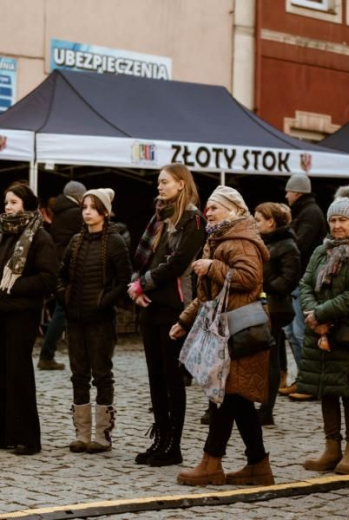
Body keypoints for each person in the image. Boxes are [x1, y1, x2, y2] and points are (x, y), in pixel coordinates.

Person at [173, 185, 273, 487]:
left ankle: (211, 462)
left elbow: (249, 279)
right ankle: (258, 464)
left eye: (215, 207)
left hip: (237, 330)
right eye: (209, 207)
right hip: (226, 331)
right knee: (236, 400)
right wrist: (184, 320)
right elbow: (208, 296)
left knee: (225, 398)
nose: (209, 211)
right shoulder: (220, 238)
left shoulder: (239, 240)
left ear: (234, 209)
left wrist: (213, 266)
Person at [0, 182, 57, 455]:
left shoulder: (39, 237)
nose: (8, 207)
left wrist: (13, 286)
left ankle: (27, 438)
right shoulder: (1, 236)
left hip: (20, 314)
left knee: (18, 373)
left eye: (14, 202)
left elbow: (48, 278)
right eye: (6, 202)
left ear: (27, 206)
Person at [297, 186, 349, 475]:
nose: (337, 225)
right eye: (333, 220)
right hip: (318, 332)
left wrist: (320, 313)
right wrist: (311, 313)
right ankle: (331, 448)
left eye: (343, 220)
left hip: (347, 332)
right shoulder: (322, 249)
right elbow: (306, 284)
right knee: (327, 389)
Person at [129, 163, 205, 467]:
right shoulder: (160, 217)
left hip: (175, 306)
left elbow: (176, 263)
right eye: (158, 182)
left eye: (165, 182)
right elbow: (143, 257)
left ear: (181, 184)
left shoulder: (193, 221)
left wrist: (141, 283)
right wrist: (138, 287)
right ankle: (160, 438)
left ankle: (174, 444)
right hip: (151, 305)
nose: (159, 187)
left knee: (172, 378)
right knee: (155, 377)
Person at [58, 188, 131, 453]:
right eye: (84, 207)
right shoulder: (75, 241)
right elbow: (61, 274)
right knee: (78, 375)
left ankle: (102, 435)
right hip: (75, 317)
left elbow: (124, 280)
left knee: (101, 374)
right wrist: (62, 297)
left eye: (93, 207)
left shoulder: (115, 242)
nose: (87, 211)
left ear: (104, 212)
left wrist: (103, 302)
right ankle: (81, 433)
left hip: (100, 320)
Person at [254, 203, 301, 426]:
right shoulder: (266, 242)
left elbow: (289, 278)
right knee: (262, 358)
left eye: (258, 220)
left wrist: (264, 286)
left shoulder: (287, 245)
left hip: (274, 308)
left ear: (271, 222)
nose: (255, 223)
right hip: (262, 306)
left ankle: (266, 409)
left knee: (271, 359)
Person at [281, 173, 327, 398]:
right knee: (291, 331)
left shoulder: (310, 213)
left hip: (302, 280)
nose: (286, 195)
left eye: (288, 191)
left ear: (297, 192)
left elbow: (298, 245)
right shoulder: (305, 212)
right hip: (297, 279)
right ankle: (302, 378)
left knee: (299, 333)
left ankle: (308, 382)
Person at [39, 180, 87, 371]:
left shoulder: (61, 210)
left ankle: (49, 354)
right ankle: (46, 355)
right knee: (62, 312)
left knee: (63, 311)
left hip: (62, 264)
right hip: (70, 266)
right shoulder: (75, 213)